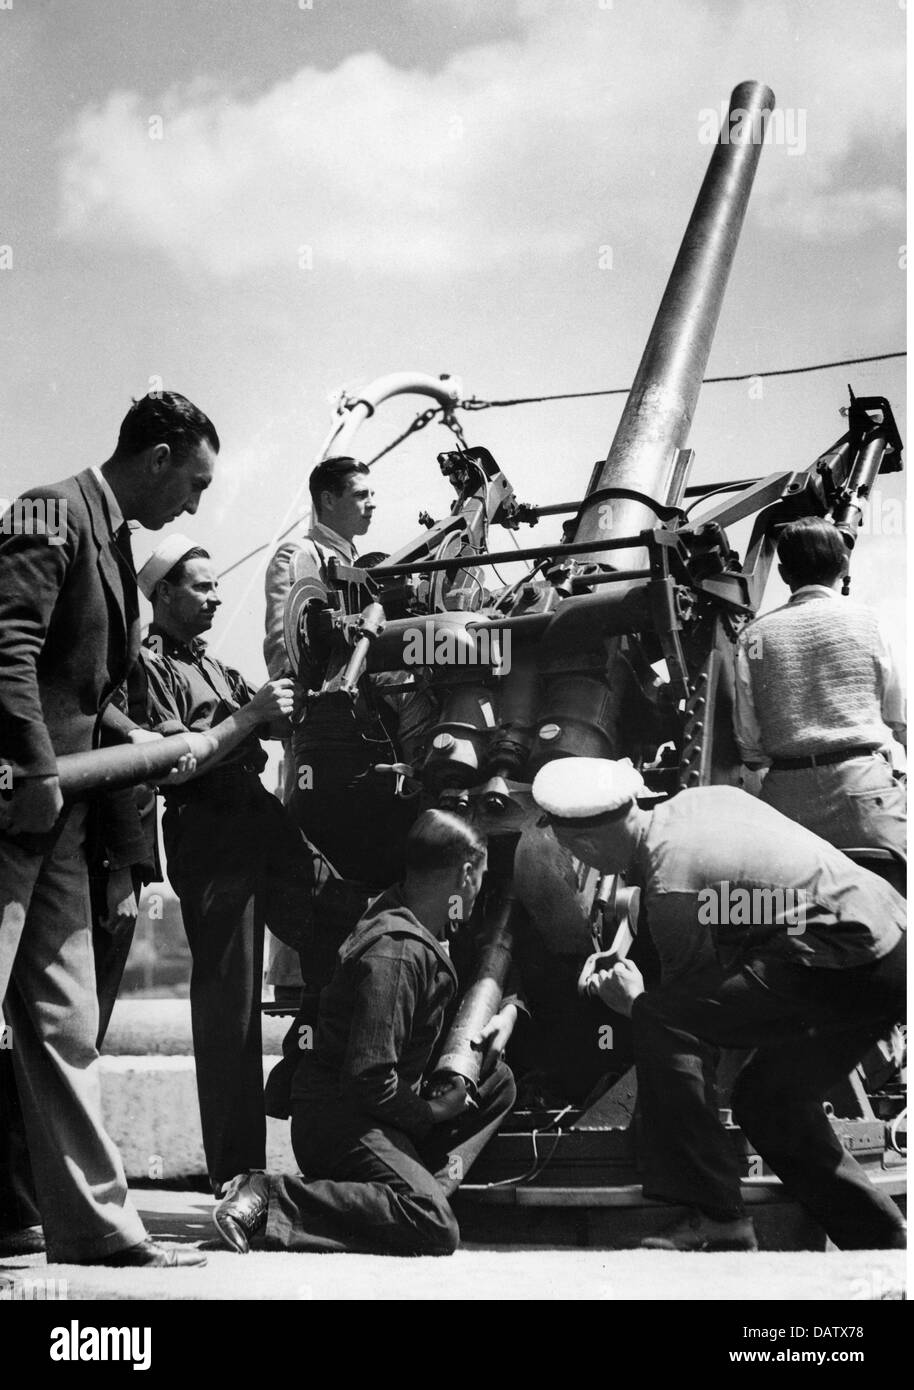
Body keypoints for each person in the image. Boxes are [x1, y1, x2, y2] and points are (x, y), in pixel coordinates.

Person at [0, 390, 218, 1266]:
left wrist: (137, 737)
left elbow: (86, 692)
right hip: (22, 804)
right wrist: (35, 771)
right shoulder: (51, 510)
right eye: (193, 482)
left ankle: (94, 1230)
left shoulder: (116, 544)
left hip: (59, 819)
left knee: (64, 1020)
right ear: (157, 456)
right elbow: (5, 648)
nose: (195, 506)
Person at [531, 756, 906, 1253]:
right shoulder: (703, 801)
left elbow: (689, 1027)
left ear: (583, 843)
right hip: (893, 949)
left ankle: (720, 1219)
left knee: (662, 1018)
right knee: (768, 1101)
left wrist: (634, 1003)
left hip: (844, 959)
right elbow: (761, 900)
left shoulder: (670, 889)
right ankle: (881, 1240)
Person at [213, 810, 516, 1256]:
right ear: (466, 874)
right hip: (341, 1122)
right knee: (435, 1226)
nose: (479, 890)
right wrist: (433, 1113)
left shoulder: (408, 915)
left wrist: (504, 1013)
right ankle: (269, 1197)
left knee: (497, 1082)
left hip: (372, 1109)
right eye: (481, 877)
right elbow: (369, 1080)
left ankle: (403, 1196)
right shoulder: (397, 953)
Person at [137, 536, 315, 1196]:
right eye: (201, 588)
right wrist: (253, 715)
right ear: (162, 596)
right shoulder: (149, 668)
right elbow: (171, 762)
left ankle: (305, 1078)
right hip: (208, 829)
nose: (216, 597)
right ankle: (238, 1176)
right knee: (229, 1008)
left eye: (216, 587)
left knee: (338, 934)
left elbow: (262, 718)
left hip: (259, 817)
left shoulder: (215, 666)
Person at [734, 516, 906, 860]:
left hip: (786, 807)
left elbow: (748, 740)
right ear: (843, 565)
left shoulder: (753, 637)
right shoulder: (869, 622)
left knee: (776, 909)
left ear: (784, 575)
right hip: (864, 794)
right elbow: (900, 720)